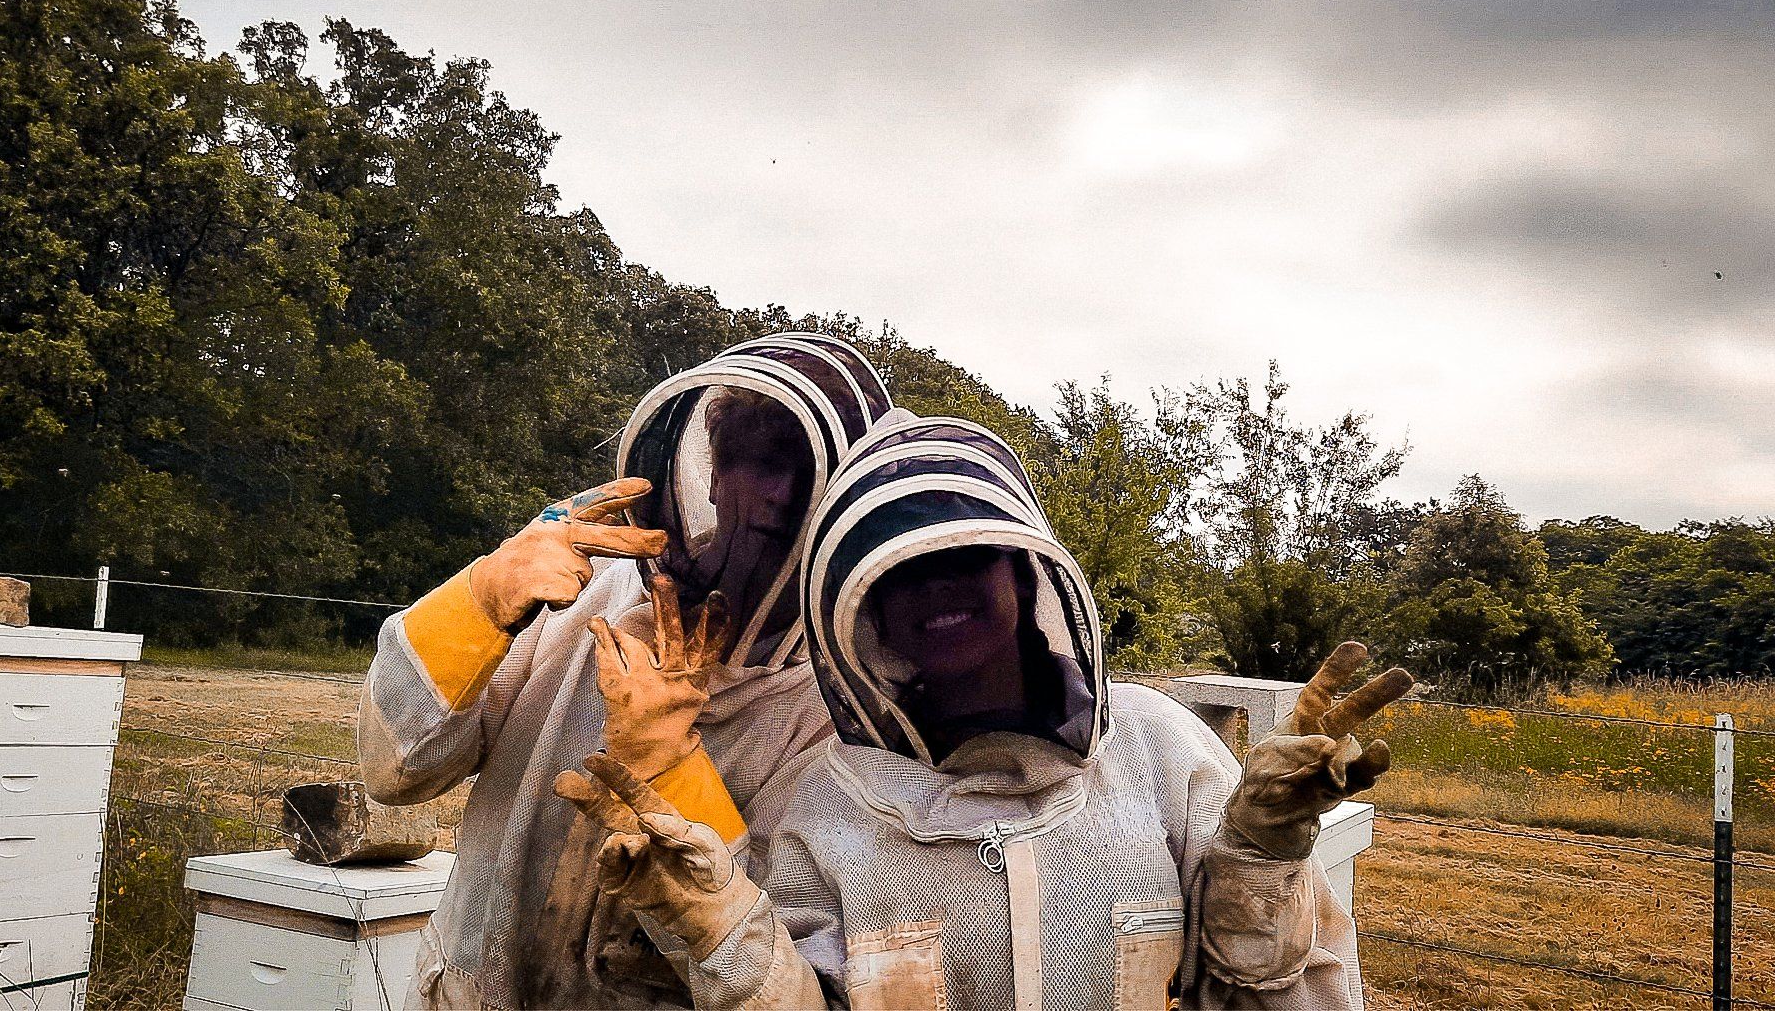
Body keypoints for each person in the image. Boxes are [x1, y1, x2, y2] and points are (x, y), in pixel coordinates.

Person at [560, 415, 1412, 1009]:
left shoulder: (1162, 753)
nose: (936, 588)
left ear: (1023, 573)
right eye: (900, 571)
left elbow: (1266, 994)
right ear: (863, 611)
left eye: (964, 556)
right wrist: (724, 941)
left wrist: (1262, 860)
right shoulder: (828, 805)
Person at [358, 334, 893, 1008]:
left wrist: (674, 776)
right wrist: (480, 600)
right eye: (759, 461)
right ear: (714, 474)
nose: (781, 495)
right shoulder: (581, 594)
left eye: (806, 471)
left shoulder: (839, 712)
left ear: (845, 504)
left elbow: (779, 976)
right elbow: (395, 767)